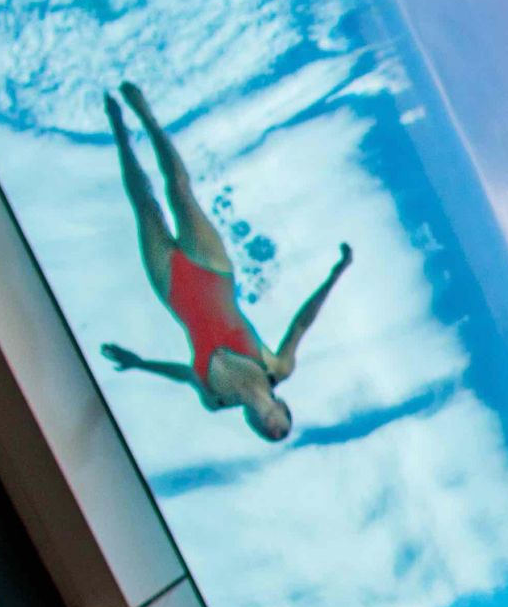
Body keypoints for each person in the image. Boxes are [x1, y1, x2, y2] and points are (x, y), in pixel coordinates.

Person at [94, 81, 351, 441]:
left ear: (254, 425)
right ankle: (147, 116)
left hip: (171, 289)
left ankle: (119, 126)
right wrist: (336, 275)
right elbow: (302, 323)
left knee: (144, 205)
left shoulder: (215, 399)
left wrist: (138, 363)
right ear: (283, 409)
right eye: (282, 428)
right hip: (212, 271)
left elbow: (182, 374)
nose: (273, 430)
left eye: (269, 434)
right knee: (179, 190)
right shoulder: (277, 368)